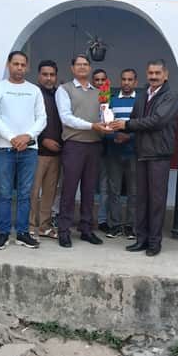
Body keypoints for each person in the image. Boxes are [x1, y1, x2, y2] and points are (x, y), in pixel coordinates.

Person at [111, 59, 178, 256]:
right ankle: (141, 240)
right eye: (151, 73)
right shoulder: (142, 94)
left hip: (159, 154)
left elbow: (158, 121)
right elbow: (134, 119)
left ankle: (154, 243)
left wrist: (126, 125)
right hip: (141, 153)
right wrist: (121, 129)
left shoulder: (170, 96)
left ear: (165, 75)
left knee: (156, 201)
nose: (153, 77)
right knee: (141, 199)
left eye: (157, 73)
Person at [0, 51, 47, 250]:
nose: (19, 68)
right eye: (16, 64)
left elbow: (42, 118)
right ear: (8, 65)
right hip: (4, 148)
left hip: (29, 150)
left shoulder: (34, 91)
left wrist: (27, 136)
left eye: (23, 64)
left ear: (27, 67)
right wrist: (12, 138)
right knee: (4, 193)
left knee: (25, 193)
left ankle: (22, 233)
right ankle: (3, 233)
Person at [55, 55, 110, 248]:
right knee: (69, 189)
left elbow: (103, 115)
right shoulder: (64, 89)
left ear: (90, 67)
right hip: (74, 145)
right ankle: (64, 230)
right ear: (72, 68)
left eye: (85, 64)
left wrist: (108, 123)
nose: (82, 67)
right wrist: (92, 125)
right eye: (78, 64)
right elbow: (66, 118)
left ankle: (86, 229)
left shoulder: (99, 92)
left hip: (94, 145)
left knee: (89, 190)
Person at [29, 60, 62, 239]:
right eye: (45, 74)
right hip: (36, 152)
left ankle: (44, 226)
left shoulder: (60, 95)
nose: (49, 78)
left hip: (56, 153)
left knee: (50, 192)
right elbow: (27, 121)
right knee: (33, 191)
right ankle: (29, 226)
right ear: (38, 76)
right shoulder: (33, 94)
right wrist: (43, 140)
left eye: (52, 75)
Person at [105, 68, 138, 240]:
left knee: (134, 191)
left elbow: (142, 126)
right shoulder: (112, 101)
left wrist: (128, 136)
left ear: (135, 82)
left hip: (133, 153)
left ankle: (131, 226)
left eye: (130, 79)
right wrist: (115, 136)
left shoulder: (140, 101)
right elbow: (105, 123)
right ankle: (115, 225)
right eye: (124, 79)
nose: (126, 82)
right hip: (114, 151)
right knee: (114, 190)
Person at [92, 68, 110, 233]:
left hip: (106, 149)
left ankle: (102, 219)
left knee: (104, 188)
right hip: (88, 146)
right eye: (96, 80)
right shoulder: (88, 98)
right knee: (86, 185)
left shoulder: (111, 100)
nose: (99, 83)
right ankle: (86, 218)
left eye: (102, 80)